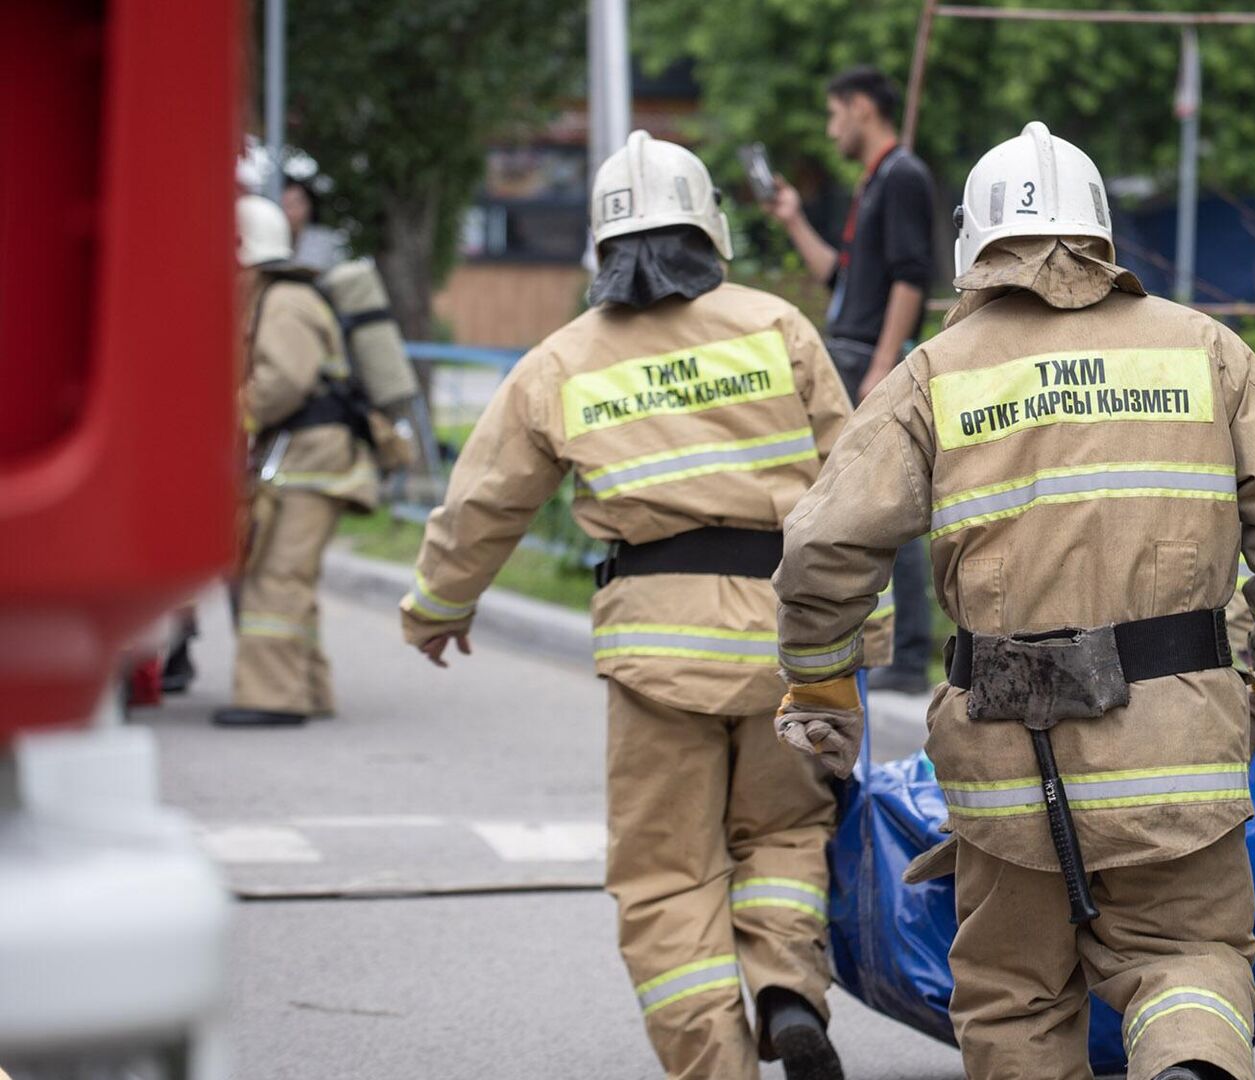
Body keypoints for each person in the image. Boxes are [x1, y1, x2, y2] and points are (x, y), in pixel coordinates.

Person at [771, 122, 1255, 1080]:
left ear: (974, 245)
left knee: (1016, 998)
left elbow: (825, 544)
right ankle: (1194, 1063)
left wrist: (825, 686)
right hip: (1179, 754)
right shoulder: (1204, 349)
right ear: (1101, 233)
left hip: (1007, 762)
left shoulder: (932, 378)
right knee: (1189, 962)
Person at [400, 133, 885, 1080]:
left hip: (658, 654)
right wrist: (863, 640)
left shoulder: (563, 361)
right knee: (787, 831)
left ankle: (715, 1061)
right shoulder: (778, 326)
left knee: (667, 871)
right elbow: (856, 488)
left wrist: (436, 604)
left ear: (600, 246)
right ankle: (788, 990)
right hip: (792, 643)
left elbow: (487, 499)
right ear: (711, 227)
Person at [766, 65, 938, 694]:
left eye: (834, 112)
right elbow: (841, 280)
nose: (830, 126)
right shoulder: (872, 183)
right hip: (851, 349)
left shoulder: (903, 176)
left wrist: (881, 366)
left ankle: (909, 653)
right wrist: (791, 217)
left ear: (862, 108)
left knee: (892, 499)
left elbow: (911, 276)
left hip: (869, 356)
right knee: (849, 501)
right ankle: (869, 643)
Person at [217, 195, 378, 727]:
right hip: (310, 458)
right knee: (290, 578)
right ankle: (308, 687)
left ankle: (273, 697)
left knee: (275, 576)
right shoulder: (281, 297)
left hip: (312, 458)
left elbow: (284, 381)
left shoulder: (282, 301)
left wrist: (230, 416)